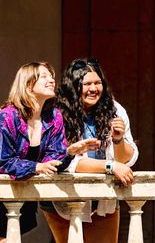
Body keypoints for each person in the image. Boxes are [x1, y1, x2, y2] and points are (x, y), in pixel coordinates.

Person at [0, 62, 90, 243]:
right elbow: (4, 162)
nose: (51, 80)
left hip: (23, 197)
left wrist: (69, 153)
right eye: (44, 76)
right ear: (27, 84)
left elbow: (53, 161)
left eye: (52, 76)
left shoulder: (54, 117)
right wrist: (37, 166)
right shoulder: (7, 117)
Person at [40, 58, 139, 243]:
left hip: (104, 198)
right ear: (74, 85)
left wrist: (118, 140)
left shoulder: (115, 110)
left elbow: (127, 159)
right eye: (87, 84)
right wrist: (110, 166)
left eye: (98, 83)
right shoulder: (57, 113)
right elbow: (67, 162)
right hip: (65, 197)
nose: (93, 89)